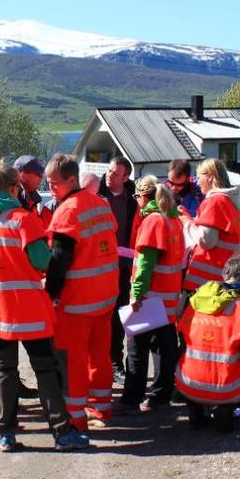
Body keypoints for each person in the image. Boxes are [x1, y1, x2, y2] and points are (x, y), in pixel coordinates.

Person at [0, 159, 89, 452]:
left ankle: (4, 432)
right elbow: (42, 262)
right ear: (12, 188)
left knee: (3, 370)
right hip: (24, 308)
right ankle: (61, 432)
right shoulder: (22, 219)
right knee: (45, 368)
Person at [45, 153, 119, 430]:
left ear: (72, 180)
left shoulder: (67, 211)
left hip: (78, 301)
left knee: (74, 360)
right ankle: (102, 408)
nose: (51, 188)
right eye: (48, 183)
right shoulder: (100, 204)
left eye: (55, 183)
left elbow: (59, 259)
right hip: (105, 295)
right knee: (100, 354)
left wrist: (51, 294)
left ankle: (76, 417)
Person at [175, 253, 240, 433]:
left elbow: (183, 336)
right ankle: (225, 409)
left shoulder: (196, 300)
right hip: (228, 389)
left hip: (187, 384)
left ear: (225, 275)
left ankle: (196, 408)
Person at [118, 176, 185, 413]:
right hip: (168, 298)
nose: (136, 201)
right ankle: (161, 396)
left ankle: (131, 400)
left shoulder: (152, 222)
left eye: (137, 197)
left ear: (144, 197)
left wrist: (136, 294)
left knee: (136, 349)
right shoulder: (173, 220)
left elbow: (145, 264)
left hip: (149, 298)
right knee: (165, 348)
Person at [98, 156, 138, 384]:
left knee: (119, 317)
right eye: (109, 170)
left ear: (125, 177)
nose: (109, 175)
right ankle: (101, 363)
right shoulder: (96, 195)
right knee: (99, 317)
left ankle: (115, 363)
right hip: (99, 269)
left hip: (123, 268)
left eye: (115, 173)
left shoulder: (133, 200)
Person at [181, 158, 240, 295]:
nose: (196, 181)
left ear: (210, 176)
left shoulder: (214, 201)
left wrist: (188, 224)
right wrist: (192, 221)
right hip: (221, 278)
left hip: (205, 283)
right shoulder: (228, 202)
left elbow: (206, 240)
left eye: (198, 177)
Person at [13, 155, 53, 229]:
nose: (41, 178)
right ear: (22, 175)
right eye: (38, 174)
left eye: (42, 175)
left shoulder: (32, 199)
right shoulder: (11, 198)